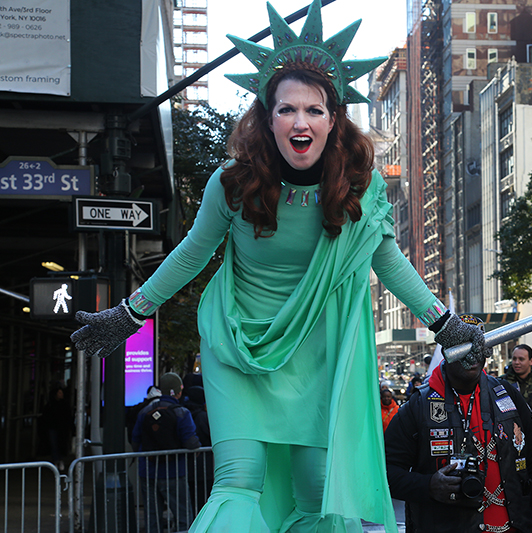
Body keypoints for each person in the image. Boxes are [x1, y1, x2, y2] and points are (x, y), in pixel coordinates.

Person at [69, 2, 486, 531]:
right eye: (287, 109)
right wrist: (130, 315)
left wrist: (444, 323)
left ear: (333, 121)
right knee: (238, 480)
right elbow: (193, 253)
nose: (300, 120)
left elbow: (386, 257)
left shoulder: (361, 186)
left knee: (316, 493)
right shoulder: (232, 182)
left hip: (316, 350)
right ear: (268, 119)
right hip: (237, 344)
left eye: (313, 110)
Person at [384, 315, 532, 532]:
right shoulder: (419, 405)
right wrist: (428, 486)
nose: (472, 354)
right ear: (446, 350)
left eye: (479, 345)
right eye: (463, 346)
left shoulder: (508, 396)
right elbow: (386, 472)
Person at [132, 372, 201, 533]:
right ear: (178, 392)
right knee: (183, 516)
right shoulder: (182, 413)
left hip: (148, 472)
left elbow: (135, 440)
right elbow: (191, 442)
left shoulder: (144, 412)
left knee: (152, 517)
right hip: (174, 472)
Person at [41, 382, 73, 471]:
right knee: (54, 444)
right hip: (54, 427)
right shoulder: (51, 405)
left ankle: (59, 460)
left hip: (61, 428)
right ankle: (56, 460)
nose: (61, 394)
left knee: (60, 443)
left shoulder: (64, 405)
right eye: (59, 393)